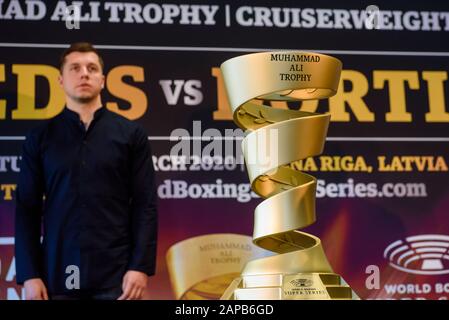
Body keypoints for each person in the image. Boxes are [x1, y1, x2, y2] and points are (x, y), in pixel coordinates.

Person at [15, 42, 158, 300]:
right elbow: (27, 207)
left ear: (102, 80)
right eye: (75, 68)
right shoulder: (40, 138)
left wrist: (140, 266)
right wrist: (29, 274)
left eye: (92, 68)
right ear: (60, 80)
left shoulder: (130, 135)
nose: (84, 74)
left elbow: (144, 205)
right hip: (56, 276)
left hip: (117, 278)